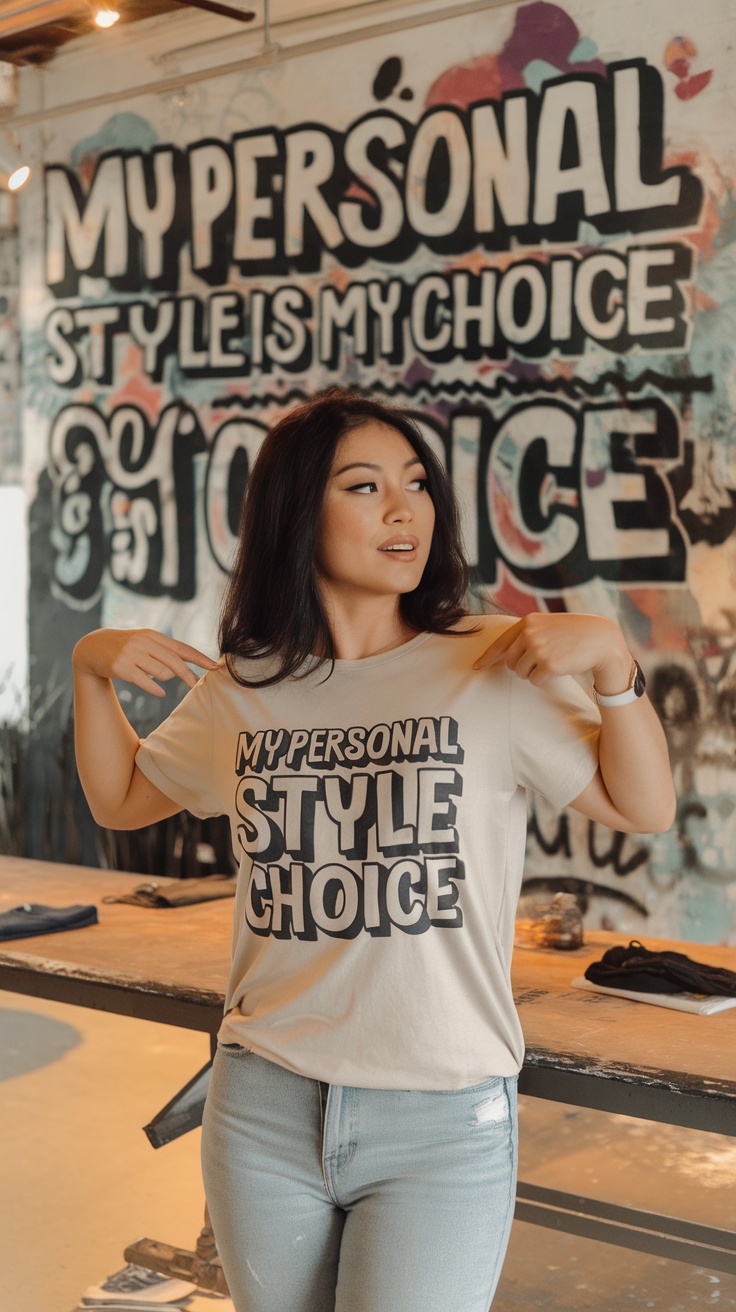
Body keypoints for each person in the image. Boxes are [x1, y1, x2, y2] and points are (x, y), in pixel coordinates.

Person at [73, 388, 676, 1312]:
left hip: (440, 1113)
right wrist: (90, 668)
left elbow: (643, 807)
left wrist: (617, 671)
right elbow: (119, 799)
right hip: (263, 1100)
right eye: (365, 486)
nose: (407, 510)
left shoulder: (492, 660)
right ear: (297, 513)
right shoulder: (250, 685)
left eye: (418, 484)